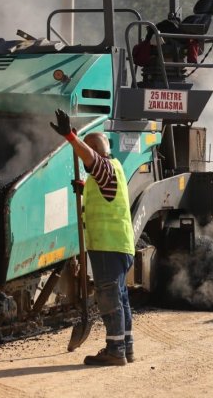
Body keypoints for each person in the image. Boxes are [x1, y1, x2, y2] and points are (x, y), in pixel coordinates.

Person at [50, 109, 135, 366]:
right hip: (119, 245)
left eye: (89, 151)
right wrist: (86, 187)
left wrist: (70, 136)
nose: (86, 159)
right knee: (120, 297)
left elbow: (90, 158)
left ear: (97, 151)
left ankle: (115, 350)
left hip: (108, 247)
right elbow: (104, 188)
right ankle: (126, 347)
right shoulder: (114, 169)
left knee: (109, 298)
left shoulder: (104, 167)